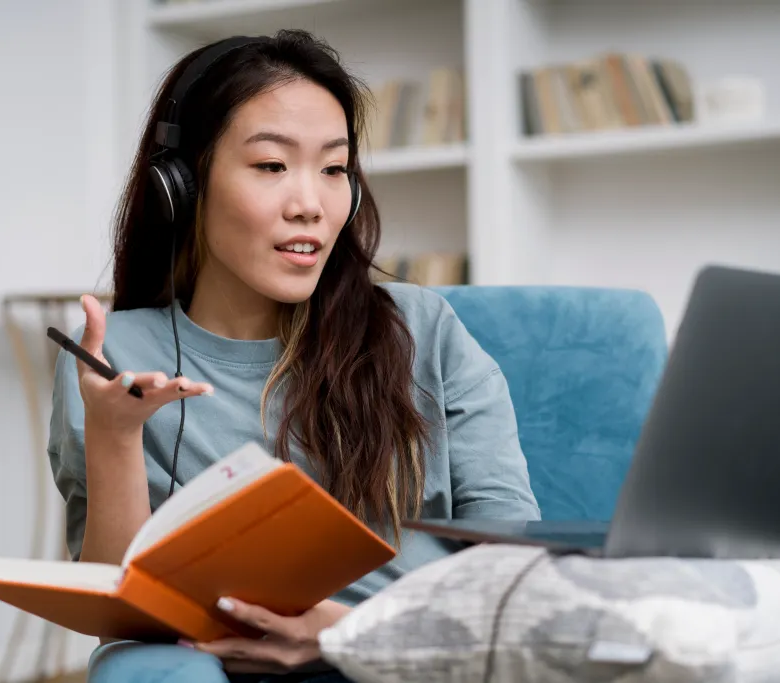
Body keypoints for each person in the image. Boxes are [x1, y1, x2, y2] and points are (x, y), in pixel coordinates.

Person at [46, 28, 540, 683]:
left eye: (334, 169)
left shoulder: (424, 330)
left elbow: (513, 558)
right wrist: (115, 435)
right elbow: (116, 609)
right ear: (183, 185)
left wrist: (350, 632)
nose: (310, 204)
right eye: (272, 166)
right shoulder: (116, 354)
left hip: (402, 658)